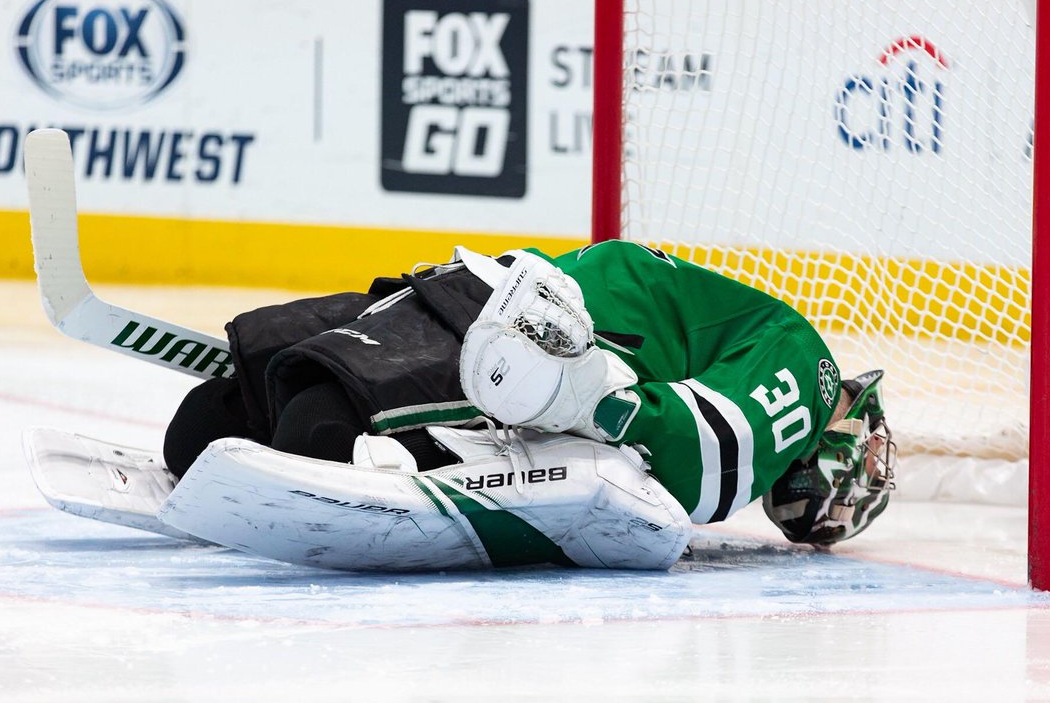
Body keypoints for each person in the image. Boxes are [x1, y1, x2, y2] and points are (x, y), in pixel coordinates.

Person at [163, 240, 894, 563]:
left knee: (210, 421)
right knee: (315, 426)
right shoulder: (811, 371)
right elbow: (709, 455)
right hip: (530, 343)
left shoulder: (760, 334)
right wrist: (592, 404)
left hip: (486, 288)